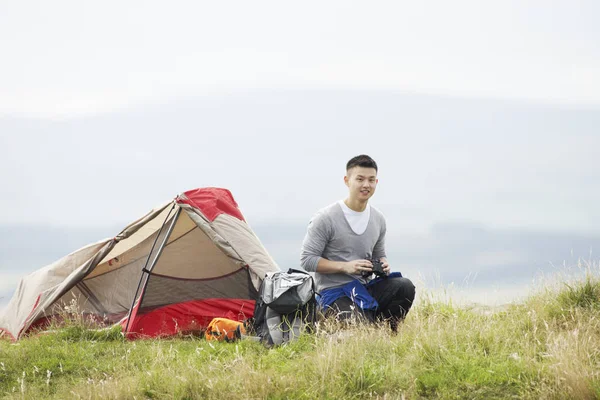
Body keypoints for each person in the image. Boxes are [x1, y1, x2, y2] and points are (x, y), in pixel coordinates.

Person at [300, 154, 415, 331]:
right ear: (347, 181)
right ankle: (365, 325)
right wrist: (345, 267)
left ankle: (390, 331)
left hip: (365, 287)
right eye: (360, 179)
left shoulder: (378, 219)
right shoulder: (325, 218)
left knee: (404, 286)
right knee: (362, 332)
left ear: (377, 182)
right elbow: (307, 260)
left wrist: (383, 263)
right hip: (333, 292)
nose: (366, 185)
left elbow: (379, 254)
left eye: (371, 180)